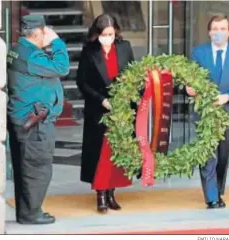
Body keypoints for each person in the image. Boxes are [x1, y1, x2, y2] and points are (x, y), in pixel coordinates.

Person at [7, 15, 70, 224]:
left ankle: (26, 212)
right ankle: (31, 214)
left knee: (25, 169)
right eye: (45, 31)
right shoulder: (32, 56)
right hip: (35, 124)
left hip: (25, 121)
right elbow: (62, 67)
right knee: (37, 169)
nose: (47, 35)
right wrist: (57, 42)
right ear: (37, 33)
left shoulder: (17, 50)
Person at [186, 13, 229, 209]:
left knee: (223, 157)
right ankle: (212, 197)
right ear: (209, 32)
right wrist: (189, 88)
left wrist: (227, 96)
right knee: (207, 156)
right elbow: (189, 80)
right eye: (215, 29)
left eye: (222, 29)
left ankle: (217, 190)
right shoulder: (199, 53)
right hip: (205, 114)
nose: (218, 33)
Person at [76, 14, 134, 213]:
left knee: (116, 153)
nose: (108, 37)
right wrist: (101, 100)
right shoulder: (89, 51)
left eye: (111, 33)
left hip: (121, 110)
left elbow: (133, 74)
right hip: (98, 109)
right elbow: (81, 82)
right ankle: (100, 194)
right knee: (100, 154)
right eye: (104, 34)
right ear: (97, 34)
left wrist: (126, 96)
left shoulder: (124, 47)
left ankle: (111, 193)